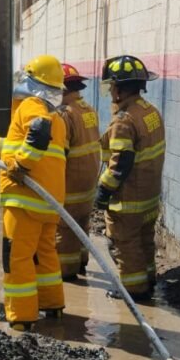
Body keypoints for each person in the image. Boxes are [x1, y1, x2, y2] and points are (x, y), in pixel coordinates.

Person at [0, 55, 68, 331]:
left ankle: (21, 317)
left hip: (24, 200)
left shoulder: (32, 106)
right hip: (49, 202)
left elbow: (36, 135)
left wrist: (20, 165)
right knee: (45, 256)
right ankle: (52, 306)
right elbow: (17, 144)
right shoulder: (58, 117)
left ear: (32, 81)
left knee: (16, 258)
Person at [95, 55, 165, 301]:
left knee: (126, 244)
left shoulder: (124, 121)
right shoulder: (150, 111)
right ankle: (148, 281)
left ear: (121, 88)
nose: (111, 91)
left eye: (112, 86)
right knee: (145, 241)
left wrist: (103, 191)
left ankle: (135, 291)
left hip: (129, 200)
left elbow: (120, 163)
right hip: (149, 197)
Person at [57, 63, 103, 281]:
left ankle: (67, 272)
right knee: (81, 224)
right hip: (88, 184)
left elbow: (59, 156)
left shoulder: (65, 115)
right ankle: (81, 262)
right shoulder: (89, 110)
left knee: (65, 229)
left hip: (70, 185)